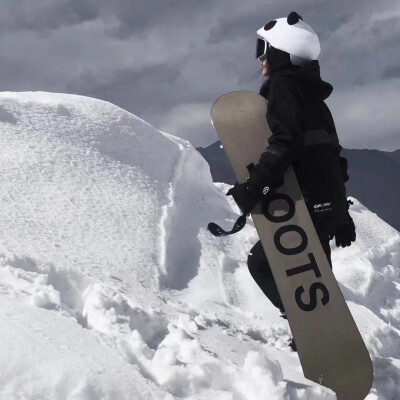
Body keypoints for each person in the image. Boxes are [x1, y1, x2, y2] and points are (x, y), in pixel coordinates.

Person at [226, 11, 356, 350]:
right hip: (324, 205)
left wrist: (257, 187)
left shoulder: (283, 88)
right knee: (317, 278)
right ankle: (325, 333)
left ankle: (310, 327)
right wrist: (340, 213)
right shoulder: (314, 100)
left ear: (281, 52)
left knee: (262, 264)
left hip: (307, 203)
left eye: (264, 48)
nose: (260, 58)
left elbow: (286, 143)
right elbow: (332, 156)